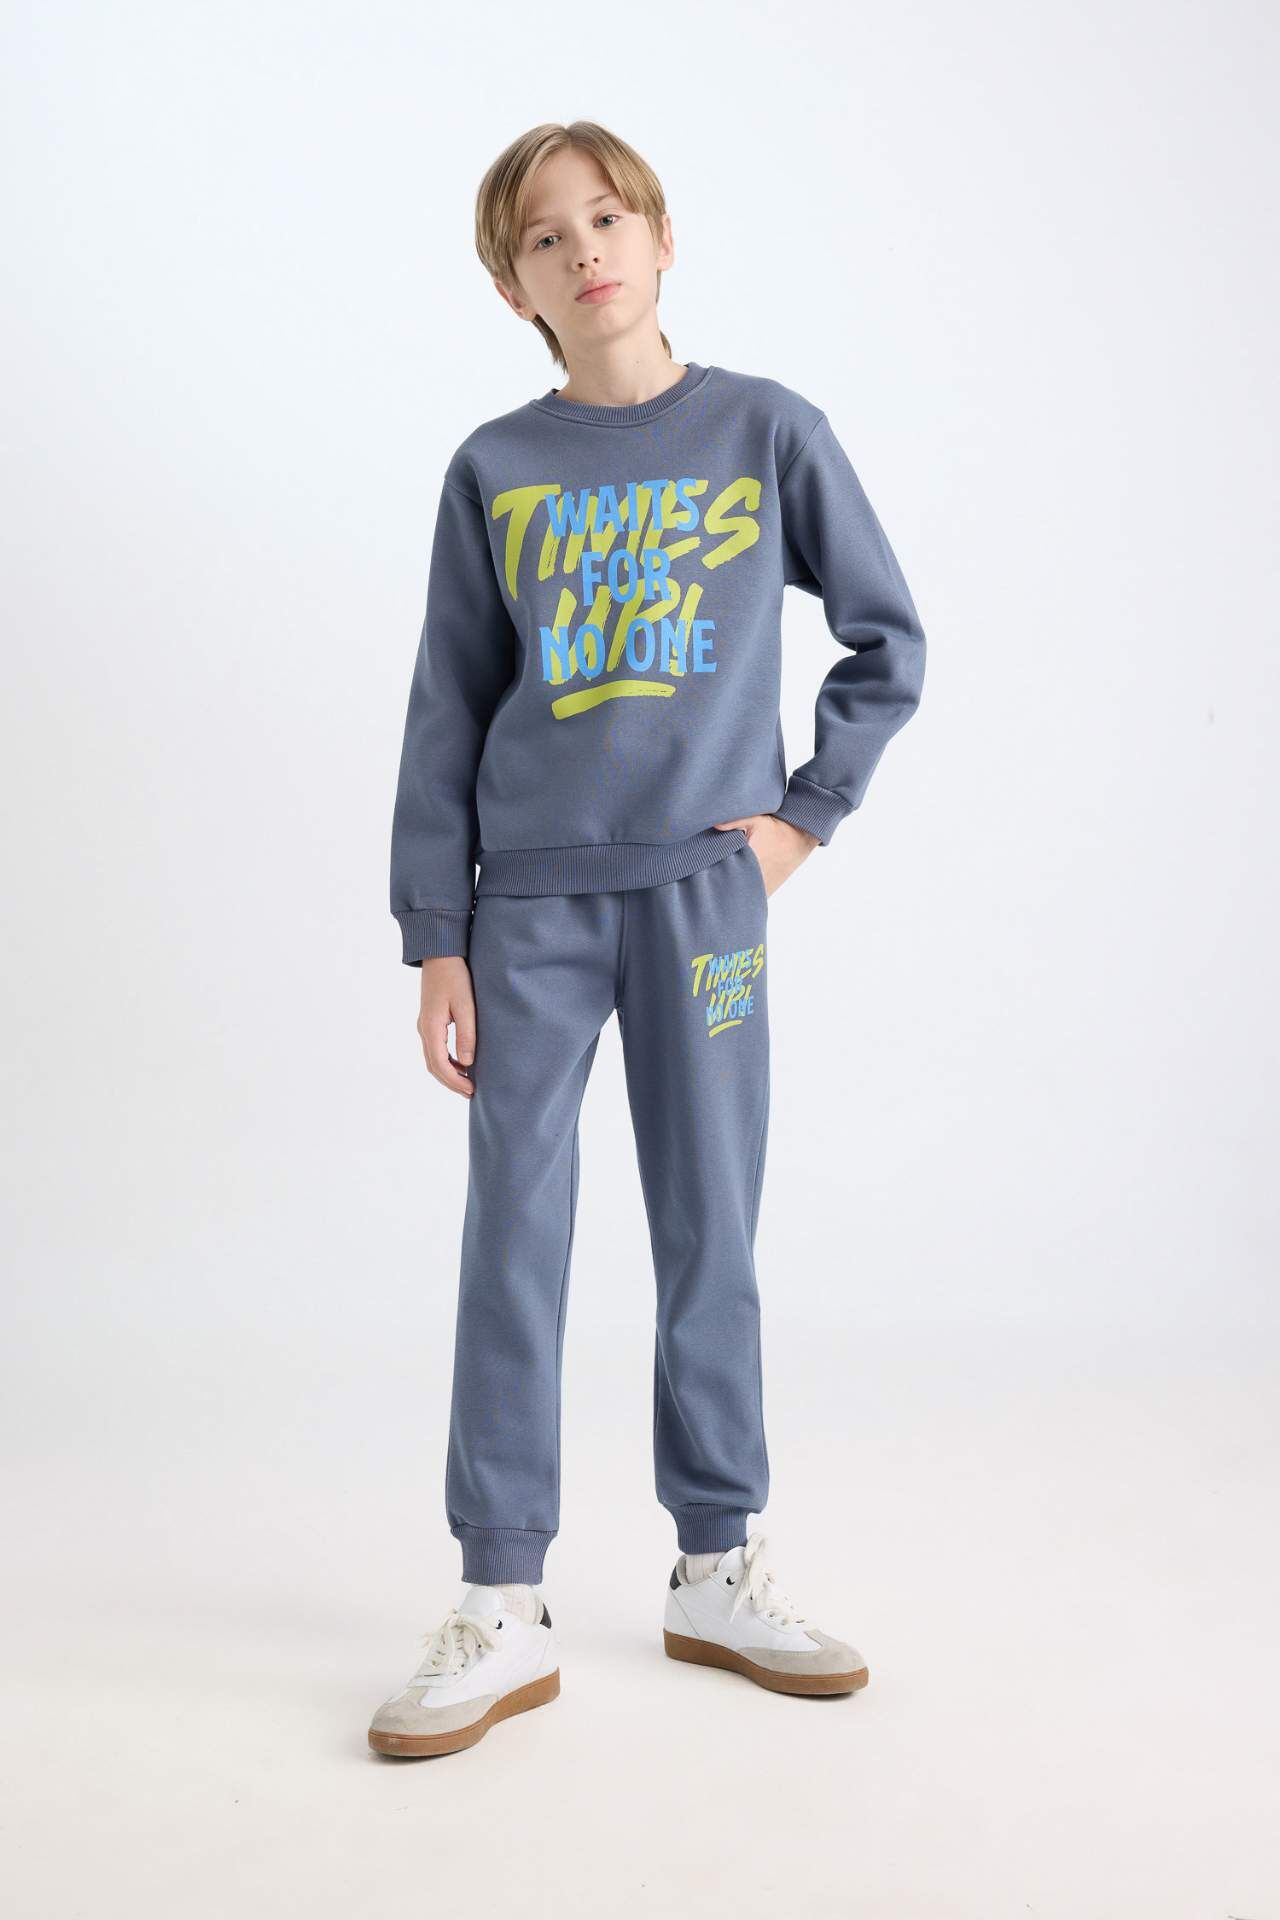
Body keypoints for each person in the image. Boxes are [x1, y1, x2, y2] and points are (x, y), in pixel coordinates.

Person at [368, 119, 926, 1759]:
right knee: (514, 1235)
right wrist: (437, 933)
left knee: (710, 1227)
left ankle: (717, 1565)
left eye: (607, 218)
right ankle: (500, 1597)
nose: (584, 250)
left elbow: (887, 638)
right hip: (528, 906)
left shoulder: (765, 431)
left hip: (703, 895)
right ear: (512, 287)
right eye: (545, 237)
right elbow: (446, 707)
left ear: (662, 238)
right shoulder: (496, 468)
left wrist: (803, 818)